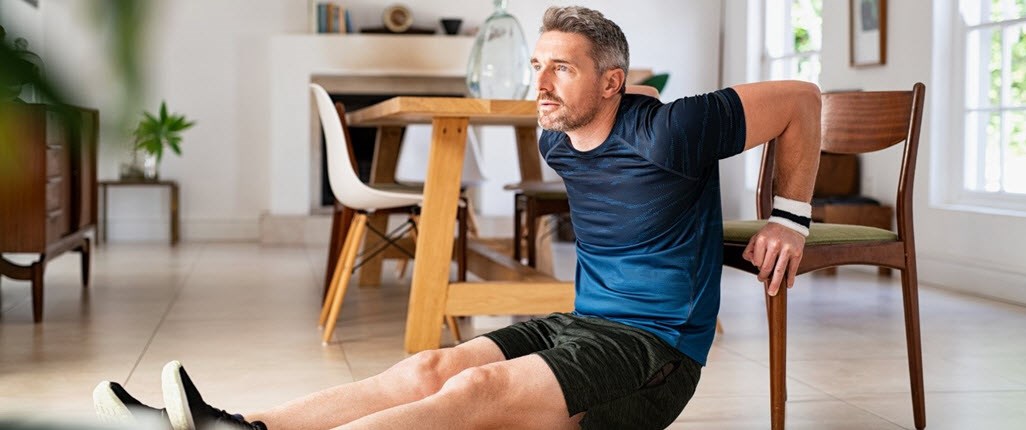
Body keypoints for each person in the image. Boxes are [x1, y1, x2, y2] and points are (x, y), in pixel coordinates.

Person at [93, 5, 820, 430]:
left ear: (611, 82)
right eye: (537, 64)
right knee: (432, 367)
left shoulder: (673, 129)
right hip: (581, 323)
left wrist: (789, 217)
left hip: (656, 356)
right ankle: (239, 427)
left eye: (560, 67)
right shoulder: (555, 136)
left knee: (470, 394)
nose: (538, 82)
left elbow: (801, 101)